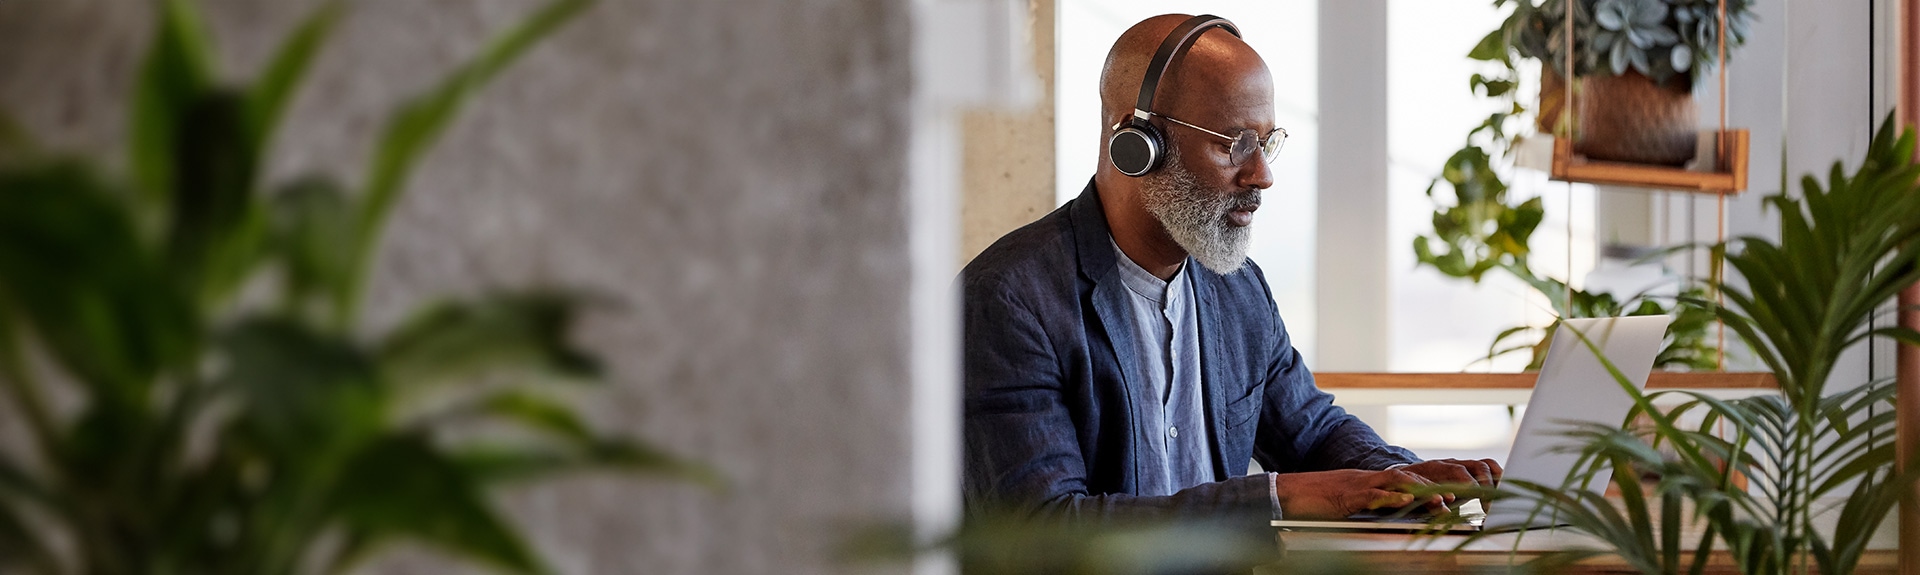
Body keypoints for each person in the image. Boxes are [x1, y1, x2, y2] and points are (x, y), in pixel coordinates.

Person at [959, 14, 1501, 525]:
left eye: (1266, 143)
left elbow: (1310, 433)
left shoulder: (1237, 288)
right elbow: (1044, 529)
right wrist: (1278, 496)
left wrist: (1399, 475)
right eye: (1235, 144)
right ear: (1136, 144)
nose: (1262, 175)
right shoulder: (1008, 300)